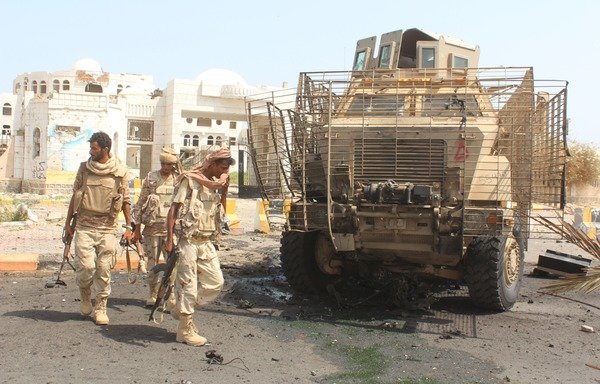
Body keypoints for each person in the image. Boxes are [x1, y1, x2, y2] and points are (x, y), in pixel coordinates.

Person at [164, 147, 233, 346]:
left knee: (215, 283)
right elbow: (174, 210)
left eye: (228, 166)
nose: (226, 170)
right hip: (188, 241)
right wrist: (169, 239)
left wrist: (224, 189)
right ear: (212, 164)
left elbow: (222, 211)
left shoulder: (217, 184)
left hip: (206, 242)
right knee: (188, 286)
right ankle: (185, 329)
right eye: (223, 165)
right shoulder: (190, 180)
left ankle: (181, 310)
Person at [64, 131, 132, 326]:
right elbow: (74, 196)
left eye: (94, 148)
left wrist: (128, 226)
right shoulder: (84, 169)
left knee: (103, 268)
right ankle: (85, 294)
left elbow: (126, 200)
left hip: (108, 227)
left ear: (105, 149)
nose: (90, 151)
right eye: (91, 147)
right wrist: (68, 224)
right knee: (85, 267)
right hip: (84, 225)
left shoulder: (119, 171)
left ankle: (100, 307)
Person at [133, 146, 179, 308]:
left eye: (169, 164)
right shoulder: (151, 178)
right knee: (152, 264)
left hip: (171, 231)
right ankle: (152, 294)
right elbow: (139, 204)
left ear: (174, 165)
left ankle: (169, 295)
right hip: (152, 229)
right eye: (163, 164)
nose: (165, 167)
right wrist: (137, 229)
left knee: (172, 266)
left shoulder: (179, 180)